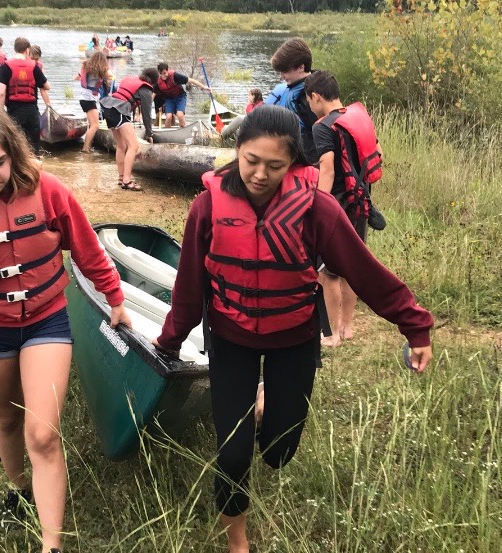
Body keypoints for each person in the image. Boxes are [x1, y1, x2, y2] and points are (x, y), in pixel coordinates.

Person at [153, 105, 433, 553]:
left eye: (274, 165)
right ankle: (237, 540)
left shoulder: (316, 209)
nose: (260, 174)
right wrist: (168, 340)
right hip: (230, 340)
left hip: (294, 341)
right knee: (233, 452)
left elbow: (364, 271)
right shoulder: (208, 206)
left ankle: (265, 405)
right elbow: (189, 283)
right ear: (237, 151)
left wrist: (414, 325)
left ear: (295, 164)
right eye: (251, 161)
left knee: (278, 453)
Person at [0, 105, 132, 553]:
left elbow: (88, 250)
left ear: (12, 154)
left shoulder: (49, 191)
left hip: (46, 321)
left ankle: (51, 544)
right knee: (8, 417)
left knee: (43, 433)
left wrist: (115, 299)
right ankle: (19, 490)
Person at [304, 70, 388, 346]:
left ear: (316, 96)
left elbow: (326, 170)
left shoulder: (323, 126)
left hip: (337, 205)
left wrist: (316, 208)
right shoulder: (356, 117)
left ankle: (329, 335)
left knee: (326, 273)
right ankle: (346, 327)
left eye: (309, 100)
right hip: (361, 202)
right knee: (352, 267)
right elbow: (378, 153)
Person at [99, 67, 159, 191]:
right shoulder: (146, 89)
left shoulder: (130, 79)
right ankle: (127, 180)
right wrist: (149, 133)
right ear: (153, 81)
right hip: (119, 109)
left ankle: (121, 179)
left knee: (121, 145)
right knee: (134, 146)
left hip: (108, 108)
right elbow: (147, 115)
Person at [266, 37, 319, 165]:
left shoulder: (308, 96)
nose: (281, 76)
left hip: (308, 164)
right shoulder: (295, 88)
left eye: (284, 70)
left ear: (301, 67)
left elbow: (322, 137)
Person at [0, 37, 51, 156]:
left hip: (14, 110)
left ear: (15, 49)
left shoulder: (6, 66)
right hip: (32, 110)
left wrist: (1, 112)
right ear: (27, 50)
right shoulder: (33, 66)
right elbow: (47, 86)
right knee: (33, 147)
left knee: (15, 145)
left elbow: (1, 93)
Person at [154, 62, 210, 128]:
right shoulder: (158, 82)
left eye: (164, 73)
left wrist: (204, 87)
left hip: (180, 97)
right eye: (161, 74)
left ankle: (183, 129)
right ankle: (168, 132)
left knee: (180, 115)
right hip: (169, 99)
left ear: (167, 70)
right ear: (159, 73)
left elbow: (191, 80)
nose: (163, 76)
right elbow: (153, 94)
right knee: (168, 117)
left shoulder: (175, 76)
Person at [76, 50, 111, 153]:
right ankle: (85, 149)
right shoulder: (100, 71)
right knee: (95, 125)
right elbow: (110, 74)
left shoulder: (86, 67)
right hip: (89, 99)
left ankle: (88, 146)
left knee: (92, 125)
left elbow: (77, 77)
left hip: (83, 98)